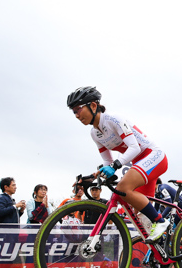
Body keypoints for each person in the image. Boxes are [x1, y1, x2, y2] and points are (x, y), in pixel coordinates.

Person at [67, 86, 169, 240]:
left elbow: (134, 147)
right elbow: (107, 161)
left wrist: (115, 166)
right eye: (73, 112)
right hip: (139, 162)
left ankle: (160, 221)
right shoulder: (94, 133)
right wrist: (95, 175)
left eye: (78, 109)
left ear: (93, 105)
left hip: (153, 156)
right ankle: (163, 251)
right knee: (139, 213)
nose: (76, 115)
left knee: (123, 189)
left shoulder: (114, 119)